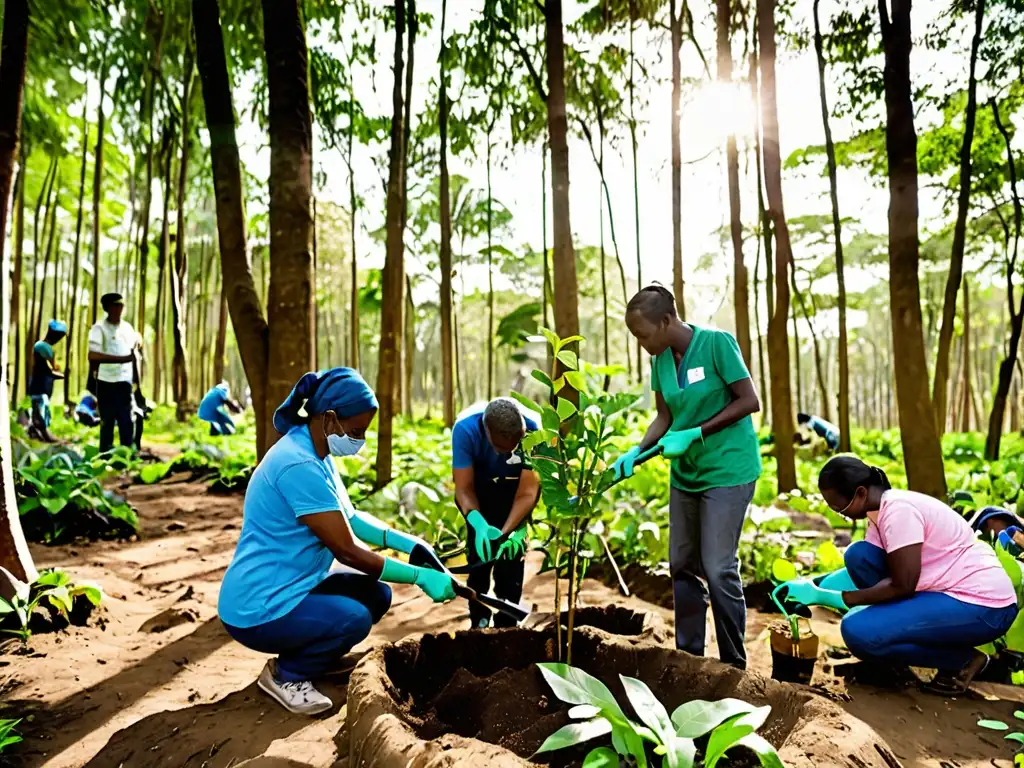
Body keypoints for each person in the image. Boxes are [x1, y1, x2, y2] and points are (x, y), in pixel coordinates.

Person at [218, 367, 455, 715]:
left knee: (377, 594)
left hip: (293, 583)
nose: (359, 440)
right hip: (258, 604)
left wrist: (411, 544)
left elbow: (353, 519)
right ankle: (287, 675)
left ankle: (316, 655)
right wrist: (420, 577)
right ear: (330, 419)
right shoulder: (297, 463)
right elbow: (347, 550)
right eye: (356, 431)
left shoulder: (316, 450)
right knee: (353, 619)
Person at [778, 455, 1019, 695]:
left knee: (857, 630)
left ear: (860, 493)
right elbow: (863, 568)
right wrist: (813, 584)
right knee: (858, 555)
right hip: (941, 590)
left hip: (983, 604)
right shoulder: (878, 513)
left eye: (839, 507)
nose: (839, 513)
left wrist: (824, 597)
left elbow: (902, 585)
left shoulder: (899, 512)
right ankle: (894, 638)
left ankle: (963, 660)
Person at [613, 284, 762, 668]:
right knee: (682, 565)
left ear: (666, 321)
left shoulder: (716, 344)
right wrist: (637, 451)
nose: (640, 342)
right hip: (686, 475)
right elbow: (664, 418)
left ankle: (733, 663)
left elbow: (749, 400)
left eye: (643, 334)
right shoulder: (660, 361)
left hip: (728, 470)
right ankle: (690, 657)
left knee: (717, 567)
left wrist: (697, 432)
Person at [452, 398, 540, 629]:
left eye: (514, 446)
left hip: (514, 492)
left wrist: (510, 531)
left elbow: (528, 492)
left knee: (511, 563)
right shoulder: (465, 430)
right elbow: (463, 488)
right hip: (479, 493)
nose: (508, 453)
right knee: (479, 560)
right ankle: (478, 620)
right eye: (502, 448)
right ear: (486, 431)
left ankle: (507, 623)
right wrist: (478, 523)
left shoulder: (535, 431)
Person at [88, 293, 142, 452]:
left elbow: (135, 343)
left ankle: (126, 453)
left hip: (124, 381)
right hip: (106, 382)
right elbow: (92, 355)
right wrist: (122, 359)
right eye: (115, 306)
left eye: (121, 306)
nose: (119, 309)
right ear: (107, 308)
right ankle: (106, 453)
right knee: (107, 420)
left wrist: (138, 341)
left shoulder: (127, 328)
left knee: (126, 419)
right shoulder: (99, 328)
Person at [27, 320, 67, 442]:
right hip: (40, 386)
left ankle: (37, 431)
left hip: (43, 386)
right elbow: (50, 368)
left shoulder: (45, 348)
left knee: (40, 409)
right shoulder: (42, 346)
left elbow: (50, 370)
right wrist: (56, 372)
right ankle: (42, 433)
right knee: (40, 410)